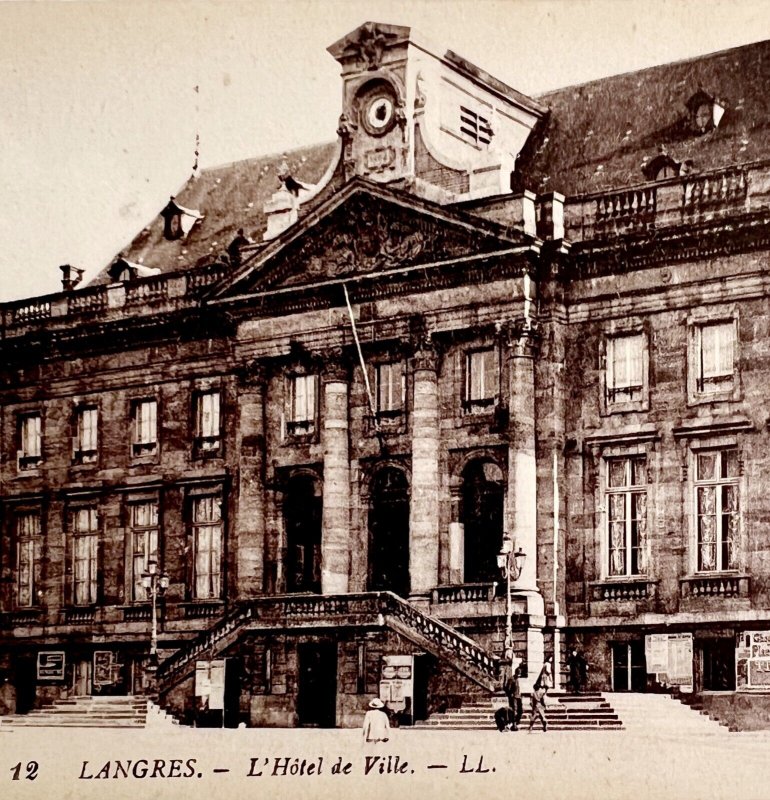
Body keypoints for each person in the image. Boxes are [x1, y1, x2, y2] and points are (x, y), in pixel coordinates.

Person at [528, 661, 552, 733]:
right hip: (540, 706)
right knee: (542, 717)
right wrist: (544, 705)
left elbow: (531, 701)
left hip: (535, 706)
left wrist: (532, 705)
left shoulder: (532, 694)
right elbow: (543, 700)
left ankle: (530, 728)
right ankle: (544, 726)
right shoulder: (541, 693)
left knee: (533, 718)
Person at [503, 665, 523, 731]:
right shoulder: (512, 679)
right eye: (519, 673)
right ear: (516, 672)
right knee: (514, 711)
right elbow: (508, 688)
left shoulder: (517, 679)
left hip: (518, 697)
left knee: (520, 710)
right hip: (513, 697)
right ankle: (514, 725)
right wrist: (511, 694)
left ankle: (516, 723)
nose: (519, 675)